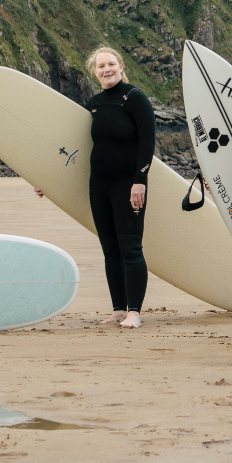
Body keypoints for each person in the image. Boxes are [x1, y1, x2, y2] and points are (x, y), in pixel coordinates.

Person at [82, 46, 154, 329]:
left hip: (128, 185)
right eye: (101, 66)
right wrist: (45, 182)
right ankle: (118, 309)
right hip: (98, 186)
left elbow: (148, 142)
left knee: (130, 248)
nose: (106, 69)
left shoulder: (134, 98)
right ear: (95, 72)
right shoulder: (95, 103)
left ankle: (134, 312)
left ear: (121, 66)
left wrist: (140, 181)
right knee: (110, 250)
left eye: (111, 64)